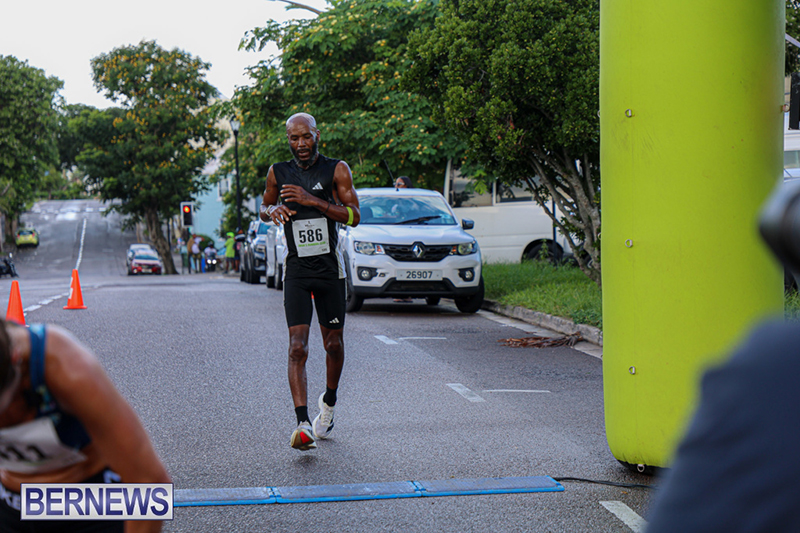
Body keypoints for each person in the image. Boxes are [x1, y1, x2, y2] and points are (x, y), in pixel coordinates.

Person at [0, 318, 171, 532]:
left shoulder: (66, 366)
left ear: (15, 358)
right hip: (11, 501)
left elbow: (150, 483)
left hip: (88, 504)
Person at [260, 112, 360, 451]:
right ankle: (302, 423)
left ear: (317, 134)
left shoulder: (336, 169)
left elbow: (354, 216)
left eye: (305, 137)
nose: (300, 144)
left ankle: (328, 404)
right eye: (293, 138)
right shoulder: (278, 172)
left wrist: (312, 201)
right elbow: (265, 203)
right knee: (297, 347)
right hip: (298, 271)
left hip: (330, 270)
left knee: (333, 344)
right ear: (287, 139)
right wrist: (270, 211)